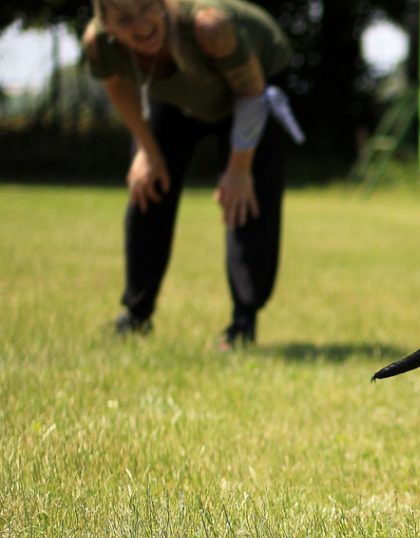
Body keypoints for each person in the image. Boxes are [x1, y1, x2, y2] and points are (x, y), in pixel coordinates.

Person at [83, 0, 303, 349]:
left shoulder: (208, 27)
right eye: (124, 18)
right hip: (174, 99)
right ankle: (136, 315)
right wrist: (146, 150)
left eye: (145, 8)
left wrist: (239, 168)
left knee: (245, 199)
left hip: (252, 92)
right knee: (147, 187)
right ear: (106, 23)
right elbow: (117, 85)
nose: (140, 26)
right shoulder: (100, 44)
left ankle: (242, 323)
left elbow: (250, 91)